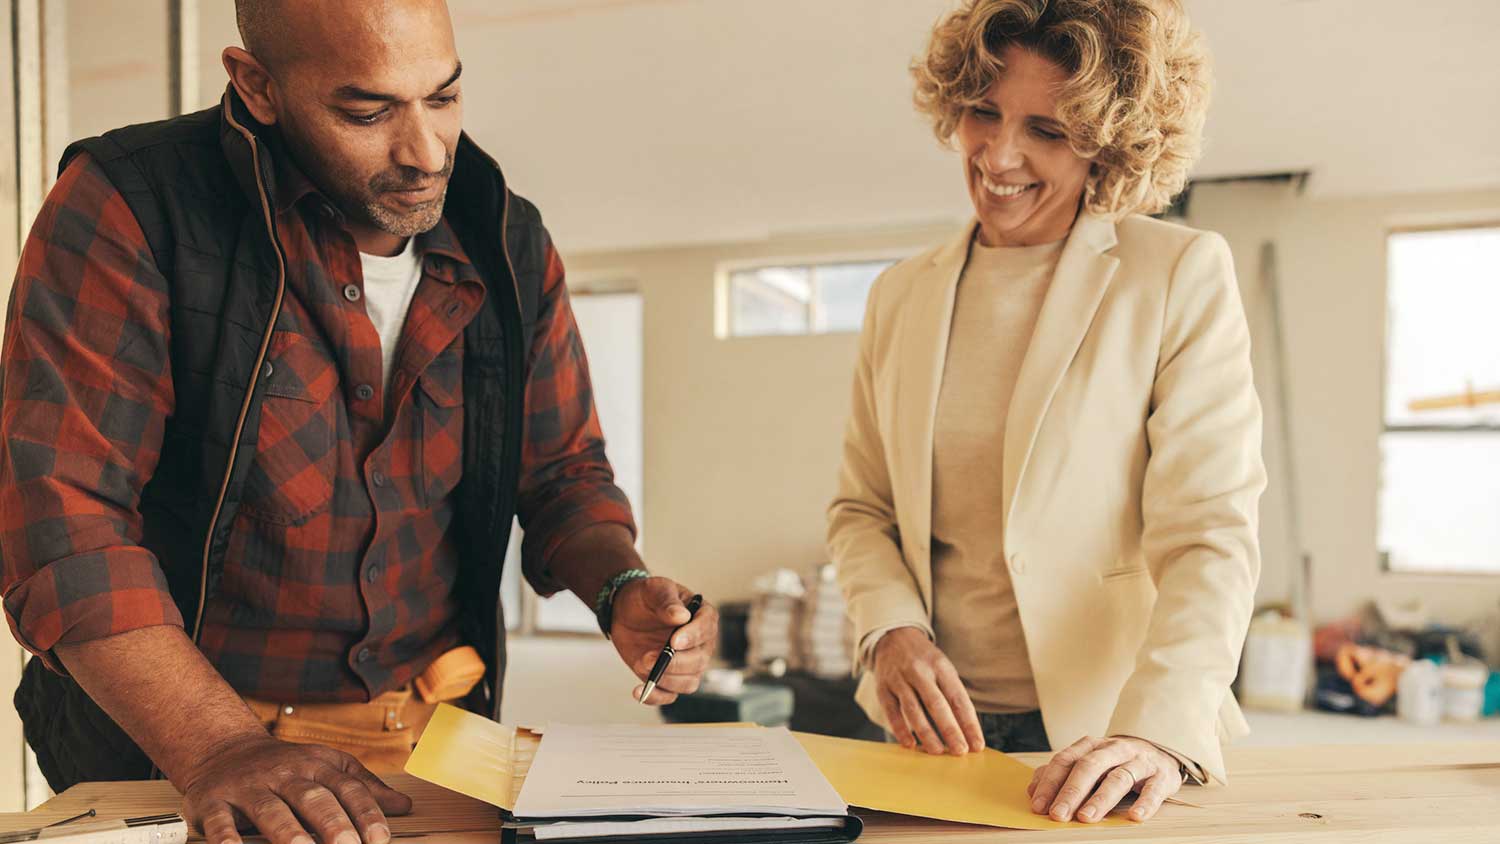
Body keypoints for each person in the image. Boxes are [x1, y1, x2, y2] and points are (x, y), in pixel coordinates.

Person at [0, 1, 716, 842]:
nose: (424, 152)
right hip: (173, 748)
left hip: (433, 739)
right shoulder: (131, 204)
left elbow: (563, 475)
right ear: (258, 85)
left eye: (443, 98)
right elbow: (64, 522)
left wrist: (618, 586)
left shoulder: (510, 240)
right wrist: (219, 746)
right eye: (367, 111)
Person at [827, 0, 1264, 825]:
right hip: (921, 729)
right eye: (984, 112)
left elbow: (1209, 532)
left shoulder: (1176, 273)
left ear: (1112, 140)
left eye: (1050, 131)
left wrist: (1158, 733)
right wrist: (889, 631)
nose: (1000, 153)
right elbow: (862, 509)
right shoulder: (897, 294)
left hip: (1107, 738)